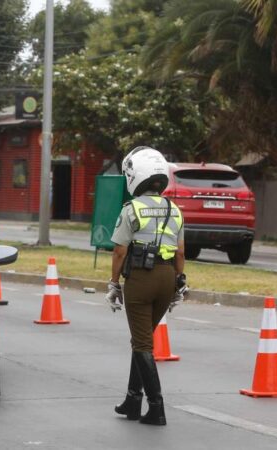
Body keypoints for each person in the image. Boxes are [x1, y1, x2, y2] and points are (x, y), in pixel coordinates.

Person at [105, 146, 187, 426]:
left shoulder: (132, 209)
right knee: (142, 340)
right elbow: (180, 252)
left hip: (140, 279)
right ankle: (132, 400)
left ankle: (156, 407)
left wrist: (114, 283)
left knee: (142, 343)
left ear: (134, 176)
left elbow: (119, 251)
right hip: (167, 279)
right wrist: (179, 283)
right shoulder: (174, 210)